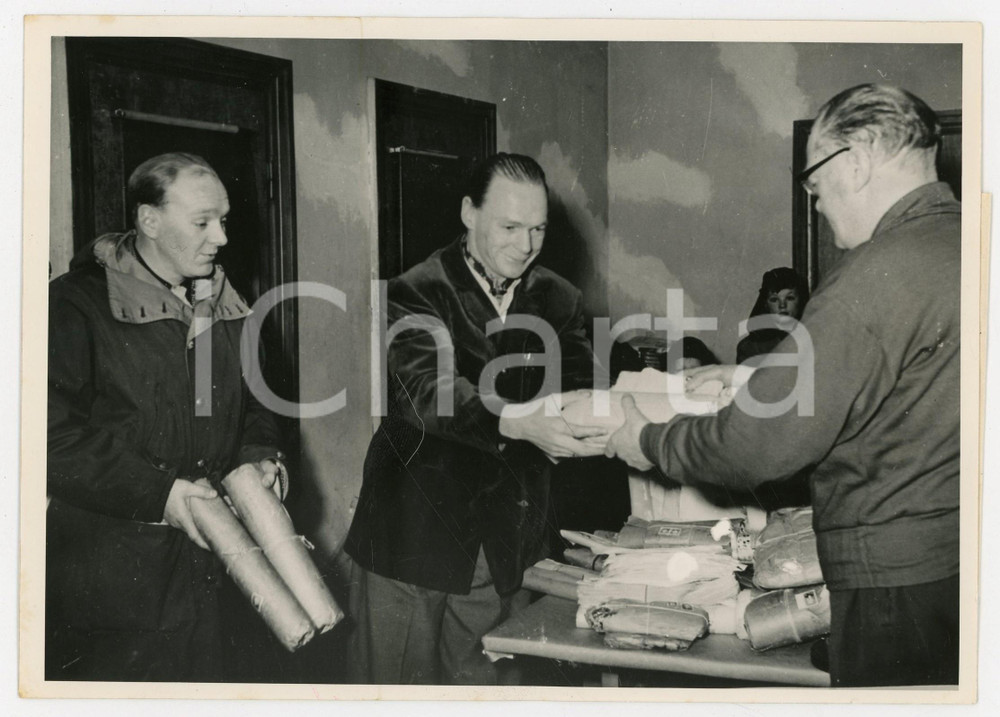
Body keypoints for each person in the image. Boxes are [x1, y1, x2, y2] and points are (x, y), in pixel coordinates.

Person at [606, 85, 960, 687]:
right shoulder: (967, 243)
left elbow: (753, 446)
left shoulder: (871, 277)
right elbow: (913, 383)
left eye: (815, 184)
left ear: (857, 160)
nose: (815, 204)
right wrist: (751, 375)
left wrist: (647, 440)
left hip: (894, 581)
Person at [344, 152, 605, 685]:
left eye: (538, 229)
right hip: (414, 528)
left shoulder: (559, 298)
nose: (526, 245)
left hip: (505, 539)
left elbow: (581, 386)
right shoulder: (416, 289)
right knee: (396, 687)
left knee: (488, 687)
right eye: (510, 227)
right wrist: (521, 422)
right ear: (469, 213)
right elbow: (429, 392)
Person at [46, 152, 287, 682]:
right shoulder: (73, 305)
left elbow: (255, 405)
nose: (222, 237)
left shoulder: (224, 304)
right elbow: (45, 440)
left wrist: (260, 459)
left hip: (214, 576)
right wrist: (161, 494)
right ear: (149, 220)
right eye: (203, 223)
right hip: (113, 591)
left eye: (224, 220)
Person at [735, 267, 810, 364]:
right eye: (774, 299)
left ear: (801, 301)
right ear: (765, 304)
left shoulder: (813, 339)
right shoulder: (750, 348)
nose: (782, 305)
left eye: (790, 298)